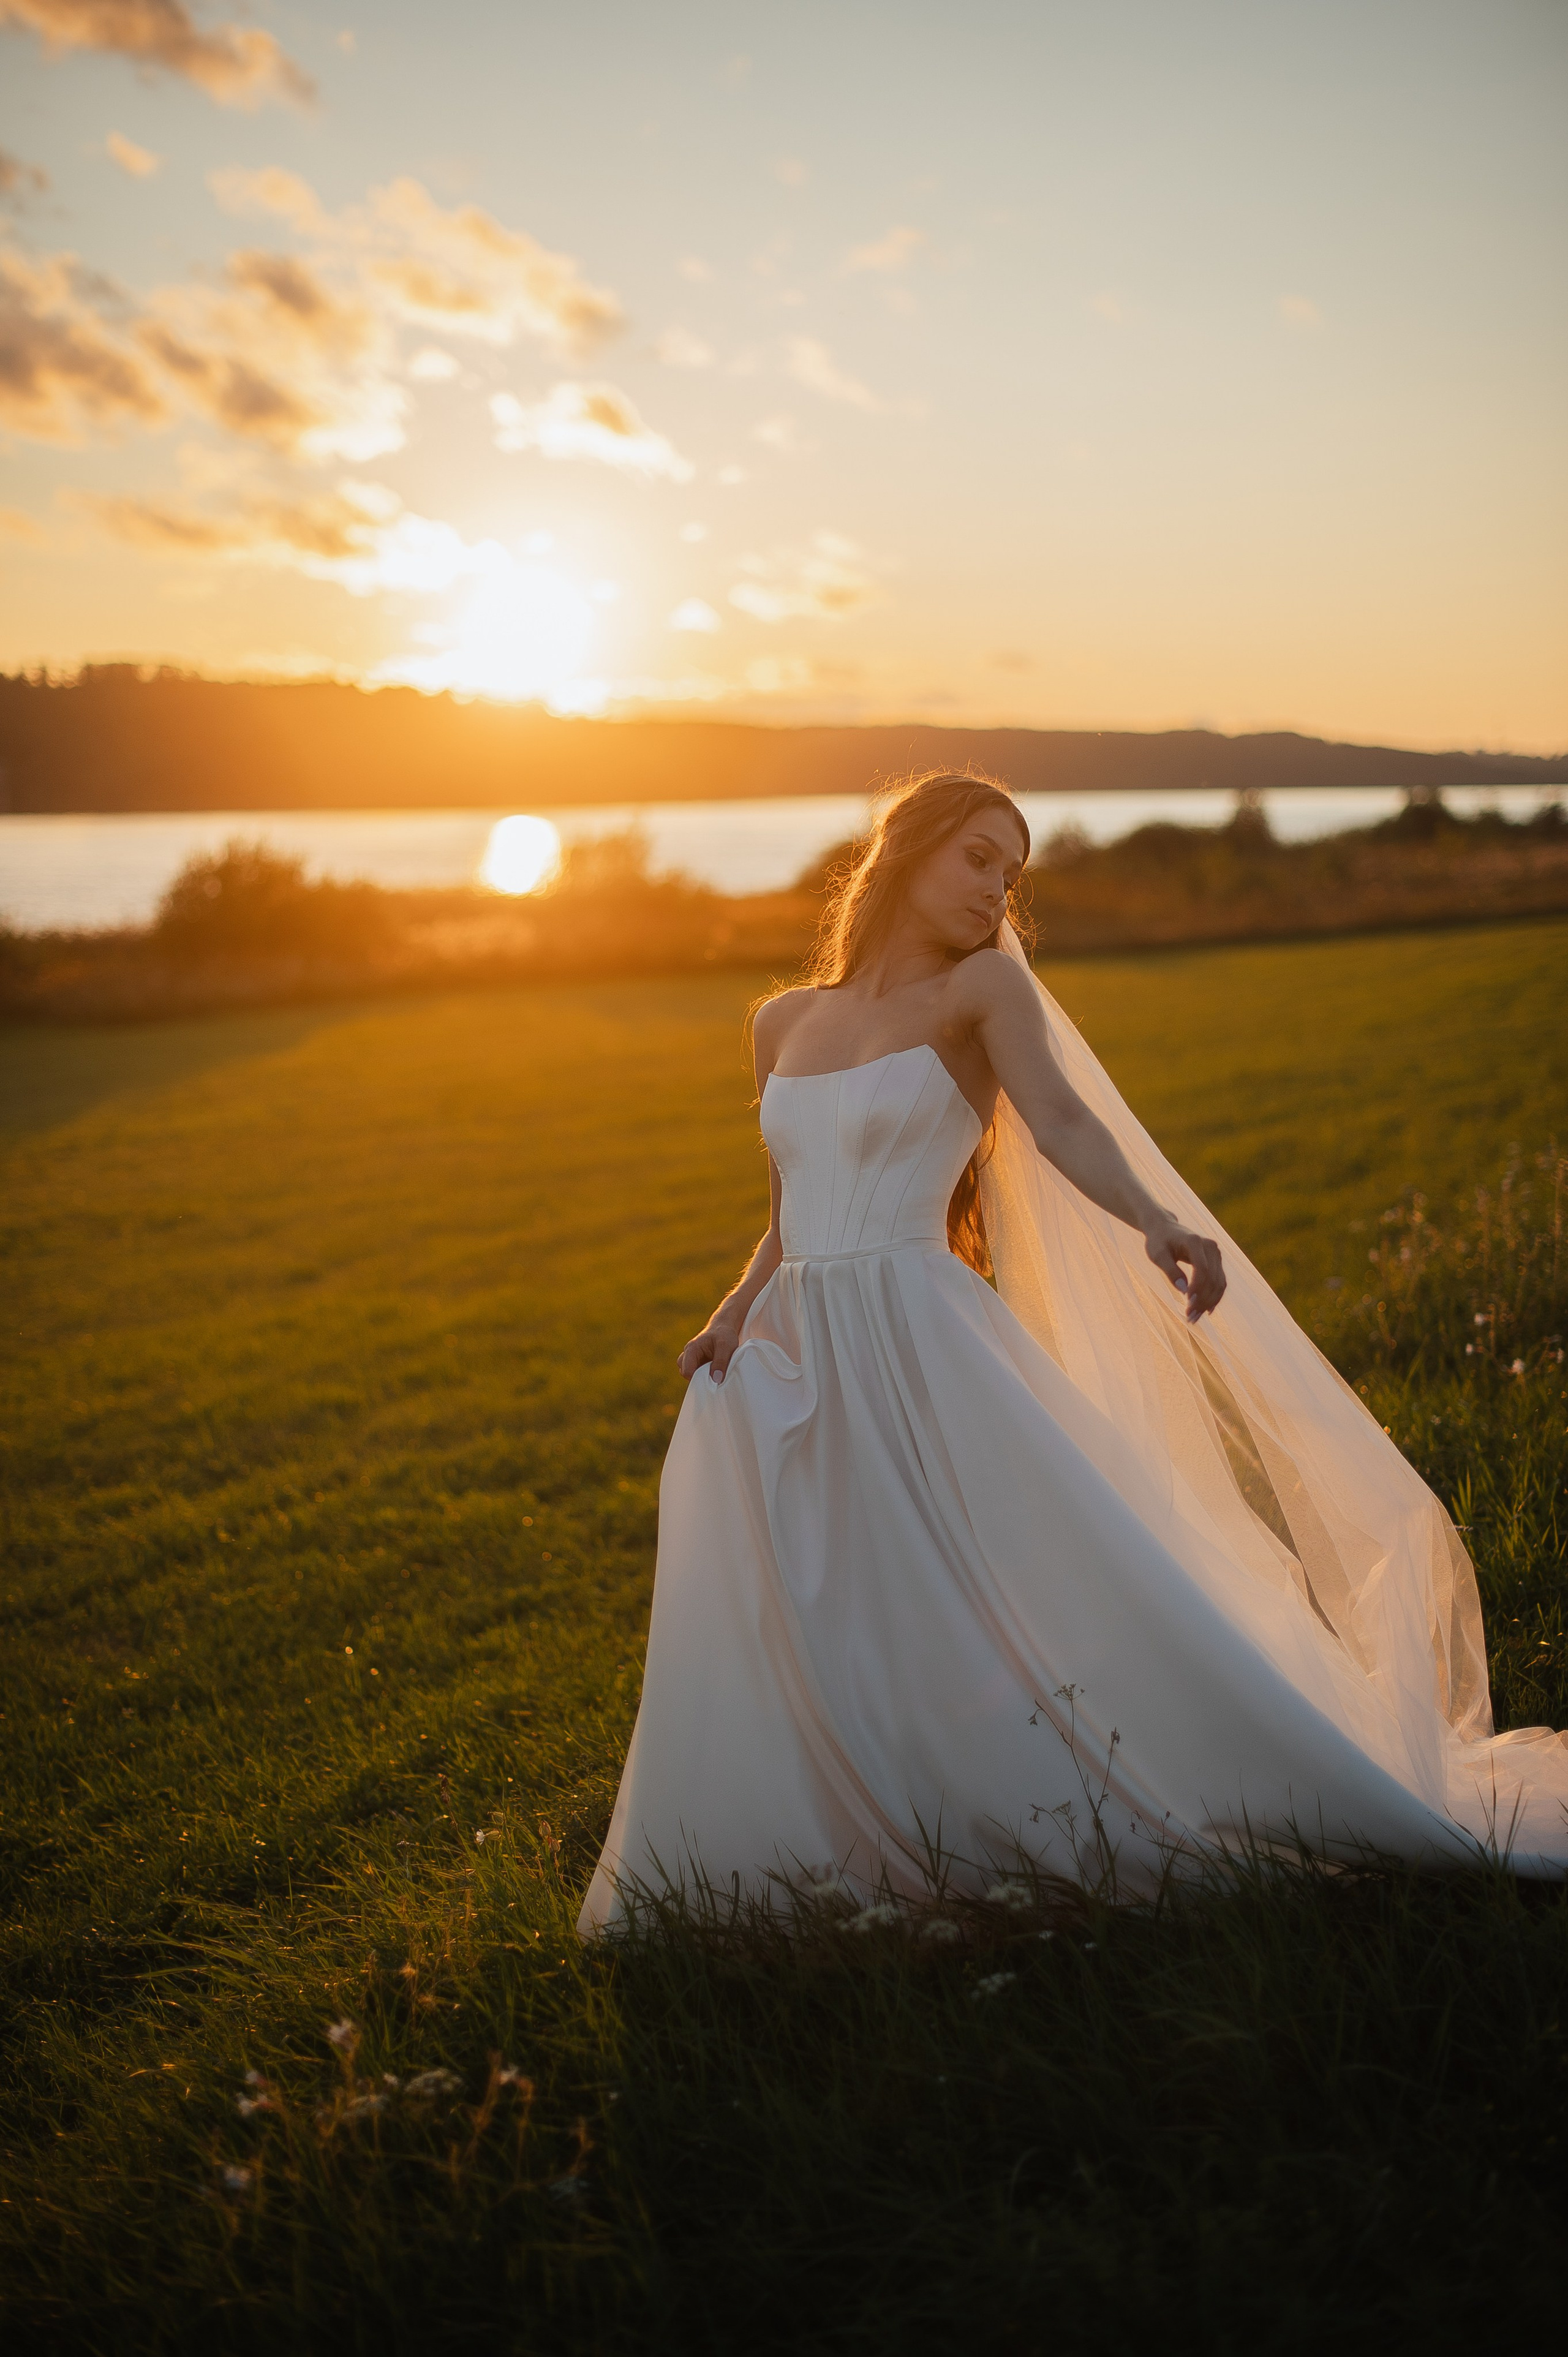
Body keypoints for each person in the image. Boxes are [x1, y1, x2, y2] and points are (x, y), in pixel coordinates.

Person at [579, 772, 1568, 1933]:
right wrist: (735, 1312)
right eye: (979, 857)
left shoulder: (983, 991)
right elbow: (788, 1208)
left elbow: (1062, 1123)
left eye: (1013, 868)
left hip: (923, 1332)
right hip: (805, 1348)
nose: (998, 886)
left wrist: (1156, 1219)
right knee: (827, 1589)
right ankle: (858, 1811)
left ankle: (1050, 1790)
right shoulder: (782, 1022)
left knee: (995, 1582)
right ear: (907, 852)